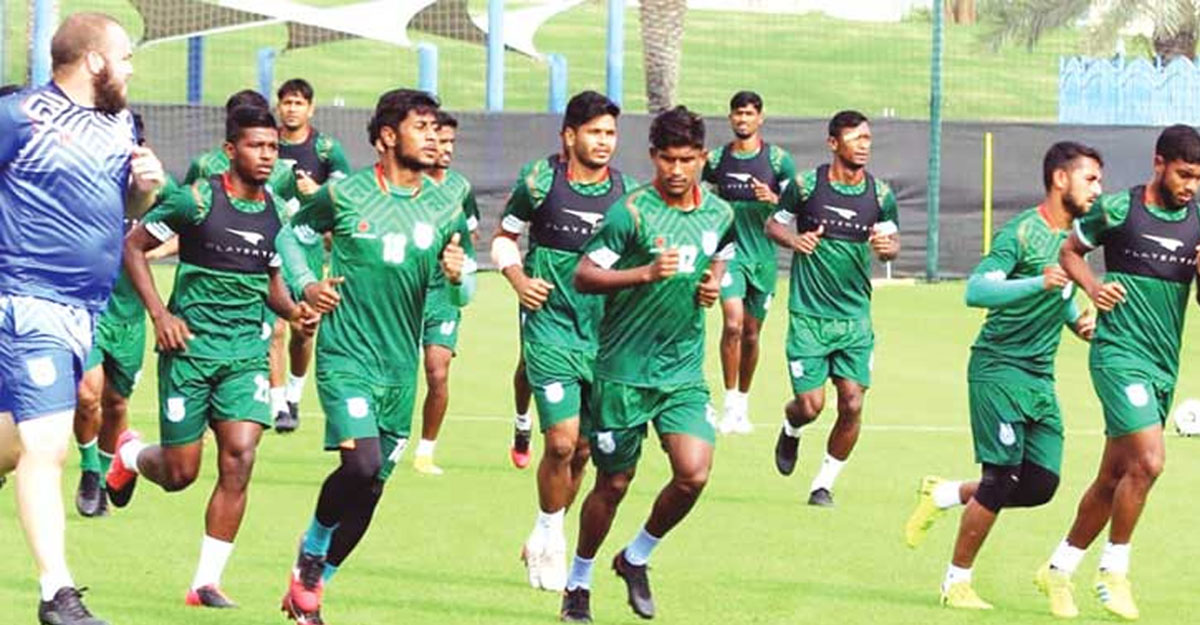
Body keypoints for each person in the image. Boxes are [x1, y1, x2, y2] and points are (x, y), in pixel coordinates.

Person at [106, 105, 318, 608]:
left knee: (240, 455)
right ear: (230, 150)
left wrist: (295, 313)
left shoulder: (277, 212)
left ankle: (205, 584)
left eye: (272, 147)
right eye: (255, 145)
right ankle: (129, 455)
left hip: (245, 354)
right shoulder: (196, 200)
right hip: (189, 350)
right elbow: (132, 247)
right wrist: (160, 315)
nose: (266, 155)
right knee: (180, 473)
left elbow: (272, 283)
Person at [277, 89, 475, 625]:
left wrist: (457, 277)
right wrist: (307, 284)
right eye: (421, 127)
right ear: (388, 136)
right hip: (347, 357)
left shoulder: (446, 205)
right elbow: (290, 237)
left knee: (371, 487)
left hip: (400, 369)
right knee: (360, 463)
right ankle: (313, 546)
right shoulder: (345, 194)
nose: (433, 138)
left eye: (436, 129)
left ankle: (310, 593)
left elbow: (462, 290)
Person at [0, 12, 164, 625]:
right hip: (28, 300)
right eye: (124, 57)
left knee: (17, 443)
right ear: (94, 61)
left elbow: (123, 207)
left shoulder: (118, 123)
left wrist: (144, 190)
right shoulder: (21, 115)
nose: (130, 69)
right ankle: (56, 593)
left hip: (84, 311)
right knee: (48, 445)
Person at [902, 142, 1103, 609]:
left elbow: (1060, 294)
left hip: (1039, 378)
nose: (1098, 189)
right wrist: (1038, 281)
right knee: (999, 478)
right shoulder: (1022, 233)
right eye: (1090, 179)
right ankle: (956, 582)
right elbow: (976, 290)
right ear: (1060, 179)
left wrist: (1078, 322)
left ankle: (944, 493)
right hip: (998, 369)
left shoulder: (1074, 240)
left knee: (1040, 485)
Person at [560, 105, 734, 623]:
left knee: (694, 474)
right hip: (622, 373)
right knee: (613, 485)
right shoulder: (630, 214)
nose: (677, 170)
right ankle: (578, 581)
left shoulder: (718, 213)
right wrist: (645, 274)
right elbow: (584, 275)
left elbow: (721, 252)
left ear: (703, 157)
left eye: (688, 159)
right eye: (667, 159)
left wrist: (713, 282)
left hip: (681, 372)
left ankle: (635, 556)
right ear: (653, 156)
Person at [1034, 124, 1200, 621]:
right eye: (1184, 174)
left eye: (1198, 178)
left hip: (1163, 362)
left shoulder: (1198, 221)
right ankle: (1113, 571)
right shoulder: (1118, 210)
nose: (1190, 186)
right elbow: (1069, 251)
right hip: (1117, 354)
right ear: (1159, 163)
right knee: (1149, 462)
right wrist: (1092, 287)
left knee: (1114, 478)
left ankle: (1058, 569)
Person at [491, 90, 636, 591]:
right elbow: (504, 237)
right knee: (560, 441)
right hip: (550, 328)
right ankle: (553, 542)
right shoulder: (538, 183)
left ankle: (542, 532)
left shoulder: (628, 195)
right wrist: (517, 279)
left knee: (584, 452)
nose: (604, 141)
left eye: (610, 133)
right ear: (569, 136)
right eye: (594, 132)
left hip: (605, 338)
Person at [764, 110, 900, 507]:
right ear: (833, 143)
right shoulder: (806, 186)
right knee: (811, 405)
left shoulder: (881, 196)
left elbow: (891, 243)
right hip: (809, 315)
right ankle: (791, 427)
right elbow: (773, 224)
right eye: (855, 138)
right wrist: (795, 241)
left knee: (852, 402)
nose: (863, 145)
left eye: (867, 138)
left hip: (855, 318)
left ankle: (822, 484)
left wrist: (886, 248)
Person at [72, 112, 178, 519]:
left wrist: (152, 251)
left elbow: (189, 225)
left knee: (116, 404)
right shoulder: (85, 181)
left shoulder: (160, 186)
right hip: (88, 310)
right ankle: (88, 469)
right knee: (87, 395)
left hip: (130, 316)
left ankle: (104, 473)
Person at [184, 89, 302, 433]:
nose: (265, 154)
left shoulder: (280, 173)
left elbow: (288, 215)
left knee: (275, 328)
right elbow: (185, 213)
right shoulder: (205, 167)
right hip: (212, 272)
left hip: (264, 260)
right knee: (182, 461)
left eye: (271, 145)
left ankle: (278, 401)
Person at [703, 90, 795, 435]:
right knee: (733, 325)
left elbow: (792, 209)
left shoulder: (778, 161)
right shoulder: (716, 160)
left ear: (760, 118)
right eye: (737, 113)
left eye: (749, 113)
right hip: (730, 255)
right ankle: (728, 404)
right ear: (730, 118)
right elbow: (703, 201)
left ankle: (742, 403)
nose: (743, 119)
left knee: (752, 334)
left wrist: (773, 198)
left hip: (763, 258)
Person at [273, 77, 352, 433]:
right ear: (278, 106)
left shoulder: (326, 149)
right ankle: (278, 405)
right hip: (272, 247)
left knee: (304, 330)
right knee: (275, 328)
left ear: (311, 108)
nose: (292, 109)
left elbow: (344, 196)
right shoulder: (267, 144)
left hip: (308, 251)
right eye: (287, 102)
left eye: (299, 103)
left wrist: (316, 190)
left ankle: (293, 393)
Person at [413, 110, 479, 475]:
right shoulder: (409, 185)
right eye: (440, 140)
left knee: (437, 372)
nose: (446, 148)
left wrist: (456, 261)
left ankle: (426, 451)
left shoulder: (460, 188)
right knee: (396, 372)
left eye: (451, 142)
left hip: (442, 296)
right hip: (405, 293)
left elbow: (470, 234)